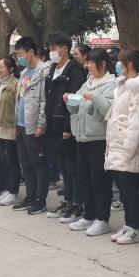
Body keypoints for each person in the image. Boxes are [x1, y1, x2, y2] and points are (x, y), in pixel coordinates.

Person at [105, 48, 139, 241]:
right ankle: (129, 224)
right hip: (118, 146)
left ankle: (137, 227)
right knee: (124, 190)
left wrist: (129, 149)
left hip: (129, 149)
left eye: (121, 62)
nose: (118, 65)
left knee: (132, 191)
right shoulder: (123, 85)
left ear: (129, 64)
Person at [65, 48, 117, 237]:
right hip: (83, 137)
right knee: (84, 178)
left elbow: (109, 110)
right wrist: (69, 100)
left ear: (102, 64)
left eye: (91, 64)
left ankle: (102, 218)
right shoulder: (88, 82)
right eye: (87, 63)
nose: (88, 67)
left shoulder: (110, 85)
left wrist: (94, 97)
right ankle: (89, 214)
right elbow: (75, 107)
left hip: (99, 139)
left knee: (99, 180)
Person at [42, 32, 88, 223]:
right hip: (53, 125)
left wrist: (69, 128)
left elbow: (75, 101)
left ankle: (78, 204)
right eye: (49, 48)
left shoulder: (75, 71)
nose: (51, 52)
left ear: (64, 49)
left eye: (53, 48)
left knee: (72, 168)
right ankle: (68, 201)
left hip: (67, 127)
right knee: (63, 167)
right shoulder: (53, 69)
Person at [13, 37, 50, 214]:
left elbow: (44, 101)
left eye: (20, 54)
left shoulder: (44, 72)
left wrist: (41, 124)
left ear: (31, 52)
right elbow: (20, 99)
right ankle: (30, 196)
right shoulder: (24, 72)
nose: (19, 58)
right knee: (25, 163)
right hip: (21, 125)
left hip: (34, 126)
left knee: (38, 163)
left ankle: (40, 200)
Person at [0, 57, 20, 206]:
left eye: (1, 67)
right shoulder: (0, 84)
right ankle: (7, 190)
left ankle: (13, 192)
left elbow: (17, 108)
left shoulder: (15, 84)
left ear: (11, 69)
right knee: (4, 161)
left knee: (12, 161)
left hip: (10, 129)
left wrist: (16, 127)